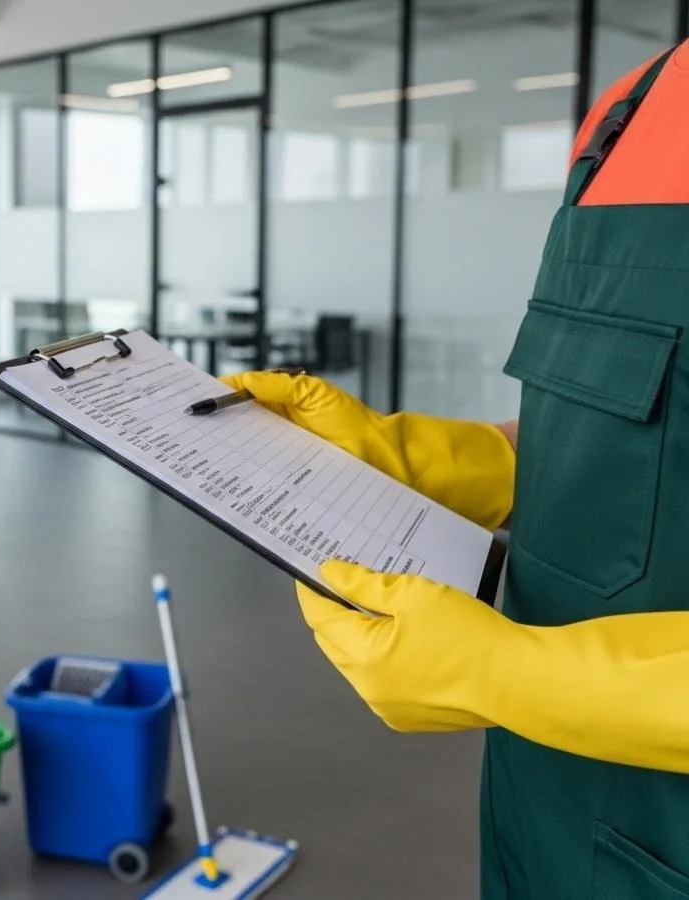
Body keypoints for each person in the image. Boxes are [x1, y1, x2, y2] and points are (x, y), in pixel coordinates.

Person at [223, 40, 689, 900]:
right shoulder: (628, 113)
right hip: (541, 798)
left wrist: (519, 674)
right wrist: (433, 459)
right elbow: (627, 423)